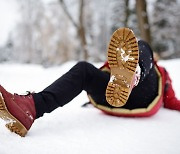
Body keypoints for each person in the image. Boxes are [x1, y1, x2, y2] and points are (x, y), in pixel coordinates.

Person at [0, 27, 180, 137]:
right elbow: (171, 101)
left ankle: (136, 73)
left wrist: (141, 62)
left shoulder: (160, 72)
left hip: (142, 96)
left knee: (144, 45)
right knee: (84, 69)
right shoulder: (124, 69)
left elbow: (171, 101)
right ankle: (30, 109)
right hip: (118, 98)